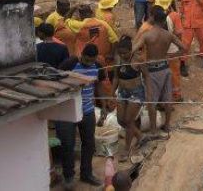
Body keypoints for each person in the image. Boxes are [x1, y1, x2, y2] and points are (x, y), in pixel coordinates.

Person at [56, 44, 107, 187]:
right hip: (68, 111)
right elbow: (57, 81)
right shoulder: (70, 64)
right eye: (87, 60)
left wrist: (103, 106)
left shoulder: (97, 66)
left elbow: (99, 86)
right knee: (67, 144)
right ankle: (69, 176)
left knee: (89, 144)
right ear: (81, 55)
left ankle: (86, 173)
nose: (89, 63)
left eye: (92, 60)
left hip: (88, 110)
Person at [132, 7, 186, 137]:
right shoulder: (168, 35)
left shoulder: (147, 35)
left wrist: (138, 60)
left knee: (151, 101)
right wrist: (170, 56)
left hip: (152, 71)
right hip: (165, 69)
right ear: (163, 21)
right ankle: (167, 126)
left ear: (153, 18)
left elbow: (133, 49)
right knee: (167, 99)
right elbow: (183, 48)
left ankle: (153, 130)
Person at [112, 37, 145, 159]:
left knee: (128, 121)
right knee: (121, 120)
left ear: (131, 50)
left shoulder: (138, 59)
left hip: (135, 93)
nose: (123, 55)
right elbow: (115, 77)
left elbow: (146, 76)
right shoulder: (118, 59)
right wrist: (111, 92)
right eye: (120, 53)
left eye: (125, 53)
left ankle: (126, 149)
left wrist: (150, 94)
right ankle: (140, 135)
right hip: (122, 92)